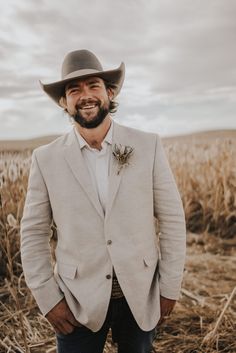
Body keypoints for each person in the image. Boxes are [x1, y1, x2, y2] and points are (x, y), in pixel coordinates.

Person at [20, 49, 186, 353]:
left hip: (142, 294)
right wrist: (48, 299)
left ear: (109, 92)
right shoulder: (45, 159)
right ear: (64, 101)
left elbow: (173, 219)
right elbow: (32, 234)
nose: (85, 96)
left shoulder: (147, 145)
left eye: (93, 86)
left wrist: (170, 286)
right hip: (76, 301)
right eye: (74, 90)